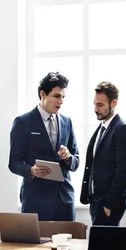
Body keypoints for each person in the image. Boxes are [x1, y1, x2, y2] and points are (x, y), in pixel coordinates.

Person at [9, 72, 79, 221]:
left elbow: (76, 162)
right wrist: (31, 170)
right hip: (36, 201)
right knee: (35, 245)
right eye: (57, 96)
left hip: (64, 200)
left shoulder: (67, 122)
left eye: (63, 97)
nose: (61, 101)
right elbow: (13, 163)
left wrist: (68, 158)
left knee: (67, 244)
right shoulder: (23, 122)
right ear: (43, 94)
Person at [80, 82, 126, 226]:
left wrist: (109, 204)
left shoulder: (123, 129)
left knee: (106, 246)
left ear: (114, 103)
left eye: (100, 105)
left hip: (108, 203)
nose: (95, 109)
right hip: (96, 200)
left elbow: (123, 171)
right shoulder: (102, 126)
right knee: (99, 246)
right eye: (94, 104)